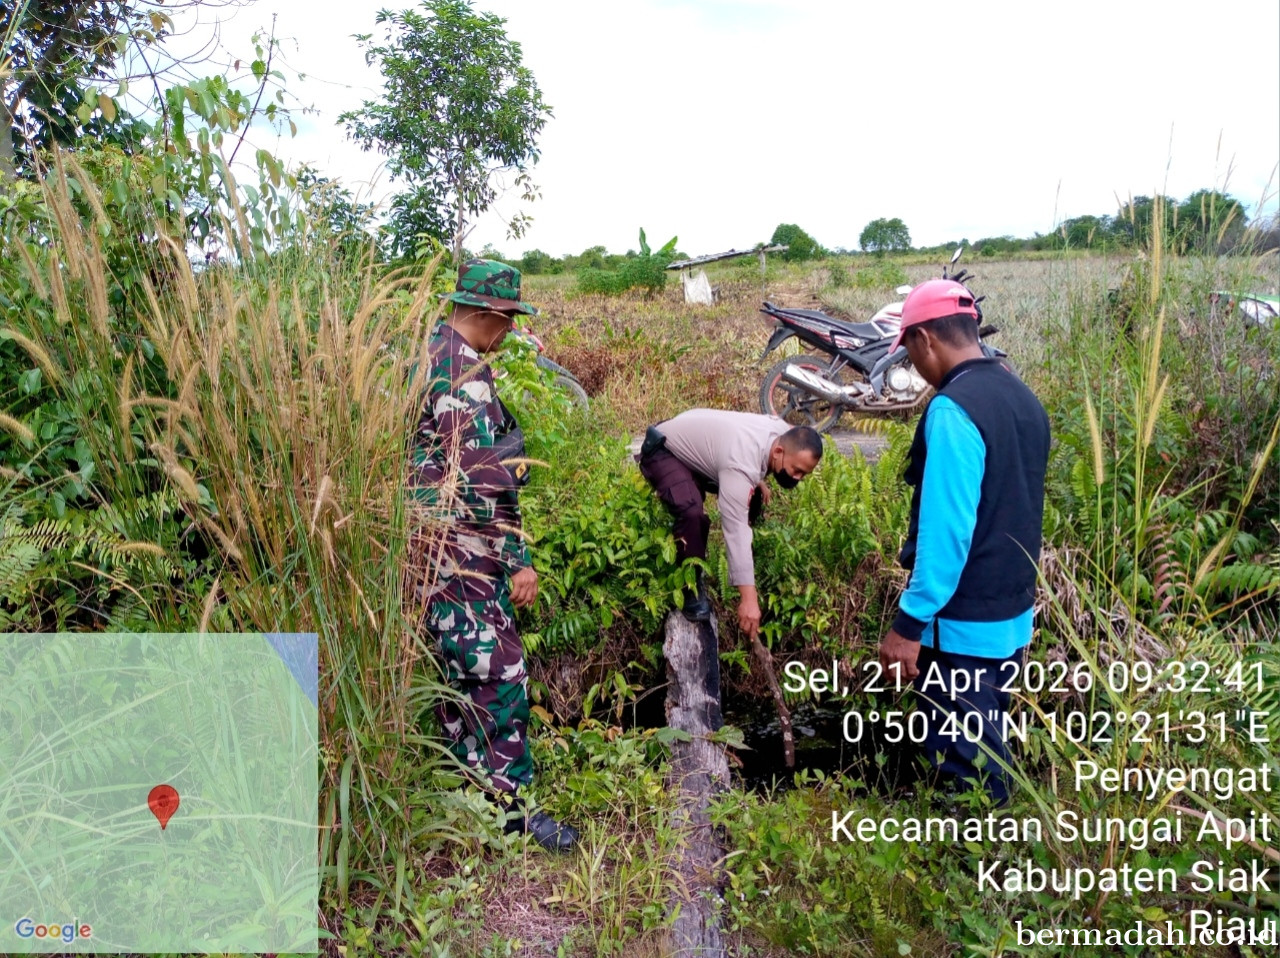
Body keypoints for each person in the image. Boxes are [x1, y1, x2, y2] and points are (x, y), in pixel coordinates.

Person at [410, 258, 578, 851]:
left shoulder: (424, 356)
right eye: (509, 320)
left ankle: (468, 795)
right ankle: (511, 811)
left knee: (458, 675)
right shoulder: (464, 379)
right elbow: (484, 481)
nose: (510, 331)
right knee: (501, 673)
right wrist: (518, 560)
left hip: (425, 552)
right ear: (488, 313)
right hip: (464, 552)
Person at [877, 279, 1050, 807]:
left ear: (925, 339)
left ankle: (976, 855)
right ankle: (995, 841)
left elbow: (948, 532)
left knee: (965, 769)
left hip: (961, 625)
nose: (912, 363)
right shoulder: (1022, 396)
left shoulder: (953, 410)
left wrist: (908, 625)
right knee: (987, 741)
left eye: (908, 350)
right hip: (1011, 617)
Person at [637, 409, 823, 636]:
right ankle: (690, 586)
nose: (797, 478)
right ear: (778, 452)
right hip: (665, 448)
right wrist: (749, 600)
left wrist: (757, 479)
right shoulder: (740, 464)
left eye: (804, 474)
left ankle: (751, 560)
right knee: (691, 513)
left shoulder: (783, 432)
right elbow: (735, 530)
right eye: (796, 471)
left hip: (699, 438)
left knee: (752, 494)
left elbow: (759, 456)